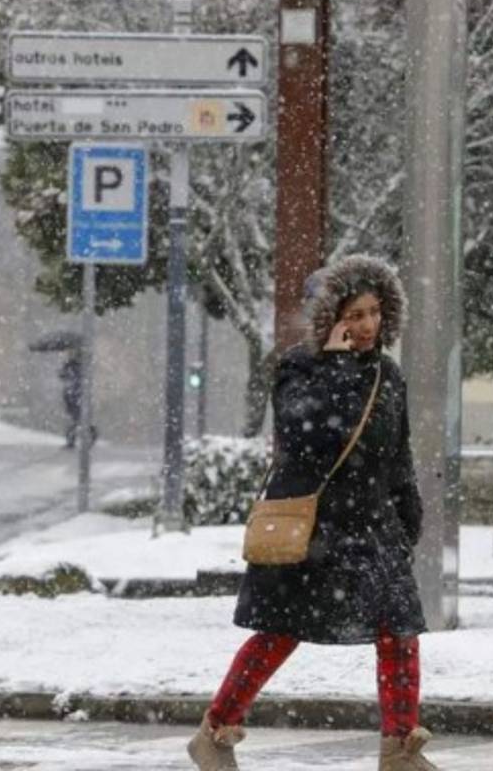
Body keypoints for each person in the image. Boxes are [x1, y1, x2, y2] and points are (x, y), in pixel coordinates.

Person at [187, 254, 438, 771]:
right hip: (315, 528)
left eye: (374, 312)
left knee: (398, 636)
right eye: (355, 314)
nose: (367, 325)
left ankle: (400, 750)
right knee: (279, 632)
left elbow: (398, 451)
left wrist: (408, 511)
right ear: (331, 319)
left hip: (374, 526)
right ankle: (214, 732)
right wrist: (339, 366)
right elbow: (307, 436)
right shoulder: (298, 369)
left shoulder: (387, 374)